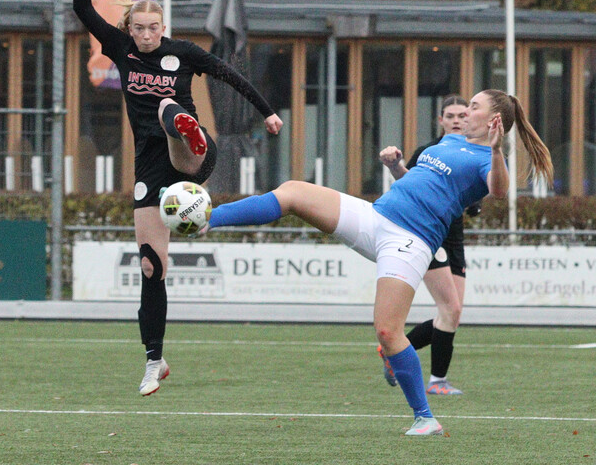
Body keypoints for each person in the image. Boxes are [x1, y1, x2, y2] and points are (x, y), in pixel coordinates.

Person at [198, 89, 552, 435]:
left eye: (472, 106)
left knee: (387, 330)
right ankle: (207, 218)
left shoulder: (486, 158)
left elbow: (500, 190)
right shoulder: (446, 143)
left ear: (491, 119)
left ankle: (425, 418)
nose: (464, 110)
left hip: (409, 241)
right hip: (374, 218)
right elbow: (420, 184)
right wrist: (397, 166)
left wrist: (495, 151)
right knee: (293, 191)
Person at [73, 0, 283, 396]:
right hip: (151, 169)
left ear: (163, 27)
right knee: (151, 268)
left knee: (170, 106)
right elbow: (82, 8)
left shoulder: (183, 52)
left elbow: (230, 74)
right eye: (140, 28)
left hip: (195, 155)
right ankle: (155, 360)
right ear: (129, 27)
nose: (147, 35)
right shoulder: (120, 47)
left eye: (154, 28)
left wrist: (266, 111)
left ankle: (182, 125)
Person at [377, 95, 479, 396]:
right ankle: (436, 381)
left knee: (452, 313)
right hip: (426, 232)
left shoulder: (474, 153)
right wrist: (395, 165)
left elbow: (472, 202)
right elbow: (406, 184)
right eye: (451, 116)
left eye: (463, 115)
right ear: (441, 120)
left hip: (454, 236)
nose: (458, 120)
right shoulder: (429, 152)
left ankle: (393, 352)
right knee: (450, 307)